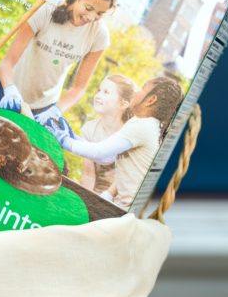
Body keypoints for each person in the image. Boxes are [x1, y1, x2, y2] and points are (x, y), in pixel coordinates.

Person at [0, 0, 116, 129]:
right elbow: (6, 64)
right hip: (9, 91)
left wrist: (56, 110)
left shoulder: (99, 35)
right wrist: (9, 89)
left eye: (100, 13)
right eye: (88, 8)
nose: (91, 17)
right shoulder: (46, 10)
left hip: (45, 107)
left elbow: (78, 88)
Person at [56, 75, 184, 208]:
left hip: (126, 209)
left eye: (143, 88)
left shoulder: (143, 126)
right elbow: (108, 157)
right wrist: (71, 136)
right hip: (120, 204)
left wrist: (63, 139)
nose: (136, 92)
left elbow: (99, 152)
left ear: (151, 100)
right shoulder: (142, 123)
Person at [78, 74, 136, 193]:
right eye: (99, 90)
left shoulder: (131, 134)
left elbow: (126, 180)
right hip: (96, 193)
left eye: (106, 92)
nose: (98, 96)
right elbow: (88, 174)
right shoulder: (89, 130)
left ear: (123, 104)